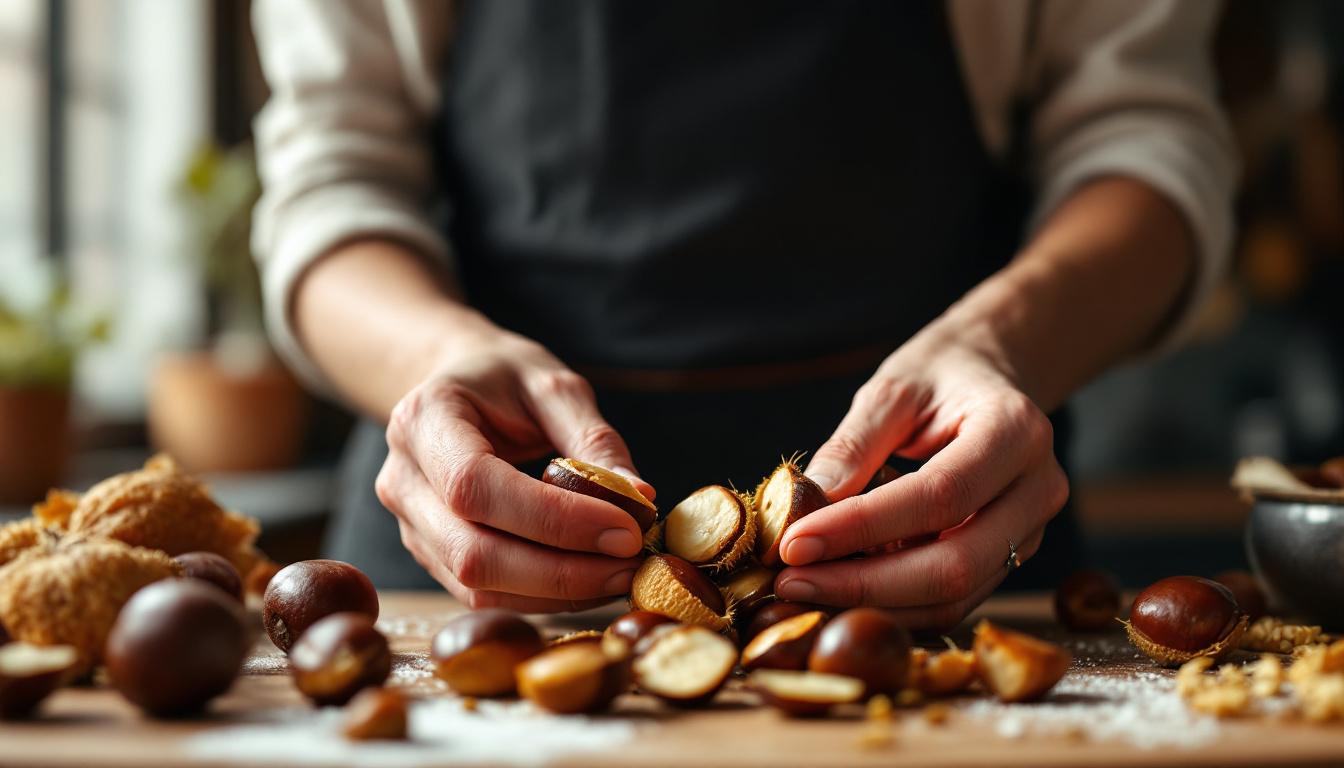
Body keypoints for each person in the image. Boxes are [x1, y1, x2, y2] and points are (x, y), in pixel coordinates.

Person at [251, 0, 1235, 627]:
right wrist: (438, 354)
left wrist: (1002, 343)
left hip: (943, 548)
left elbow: (1143, 139)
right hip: (476, 557)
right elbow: (331, 185)